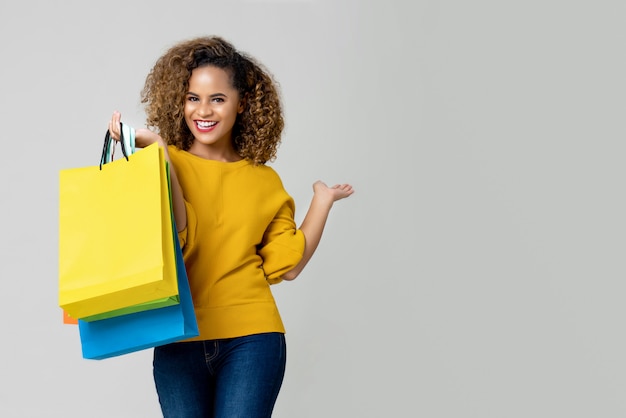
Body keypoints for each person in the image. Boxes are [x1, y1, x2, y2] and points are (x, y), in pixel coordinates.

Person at [107, 36, 354, 417]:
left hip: (253, 338)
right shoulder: (163, 160)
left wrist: (321, 201)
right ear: (179, 102)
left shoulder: (264, 181)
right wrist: (158, 153)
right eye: (193, 98)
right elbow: (178, 233)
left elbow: (288, 266)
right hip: (178, 337)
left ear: (242, 104)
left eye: (217, 99)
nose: (203, 110)